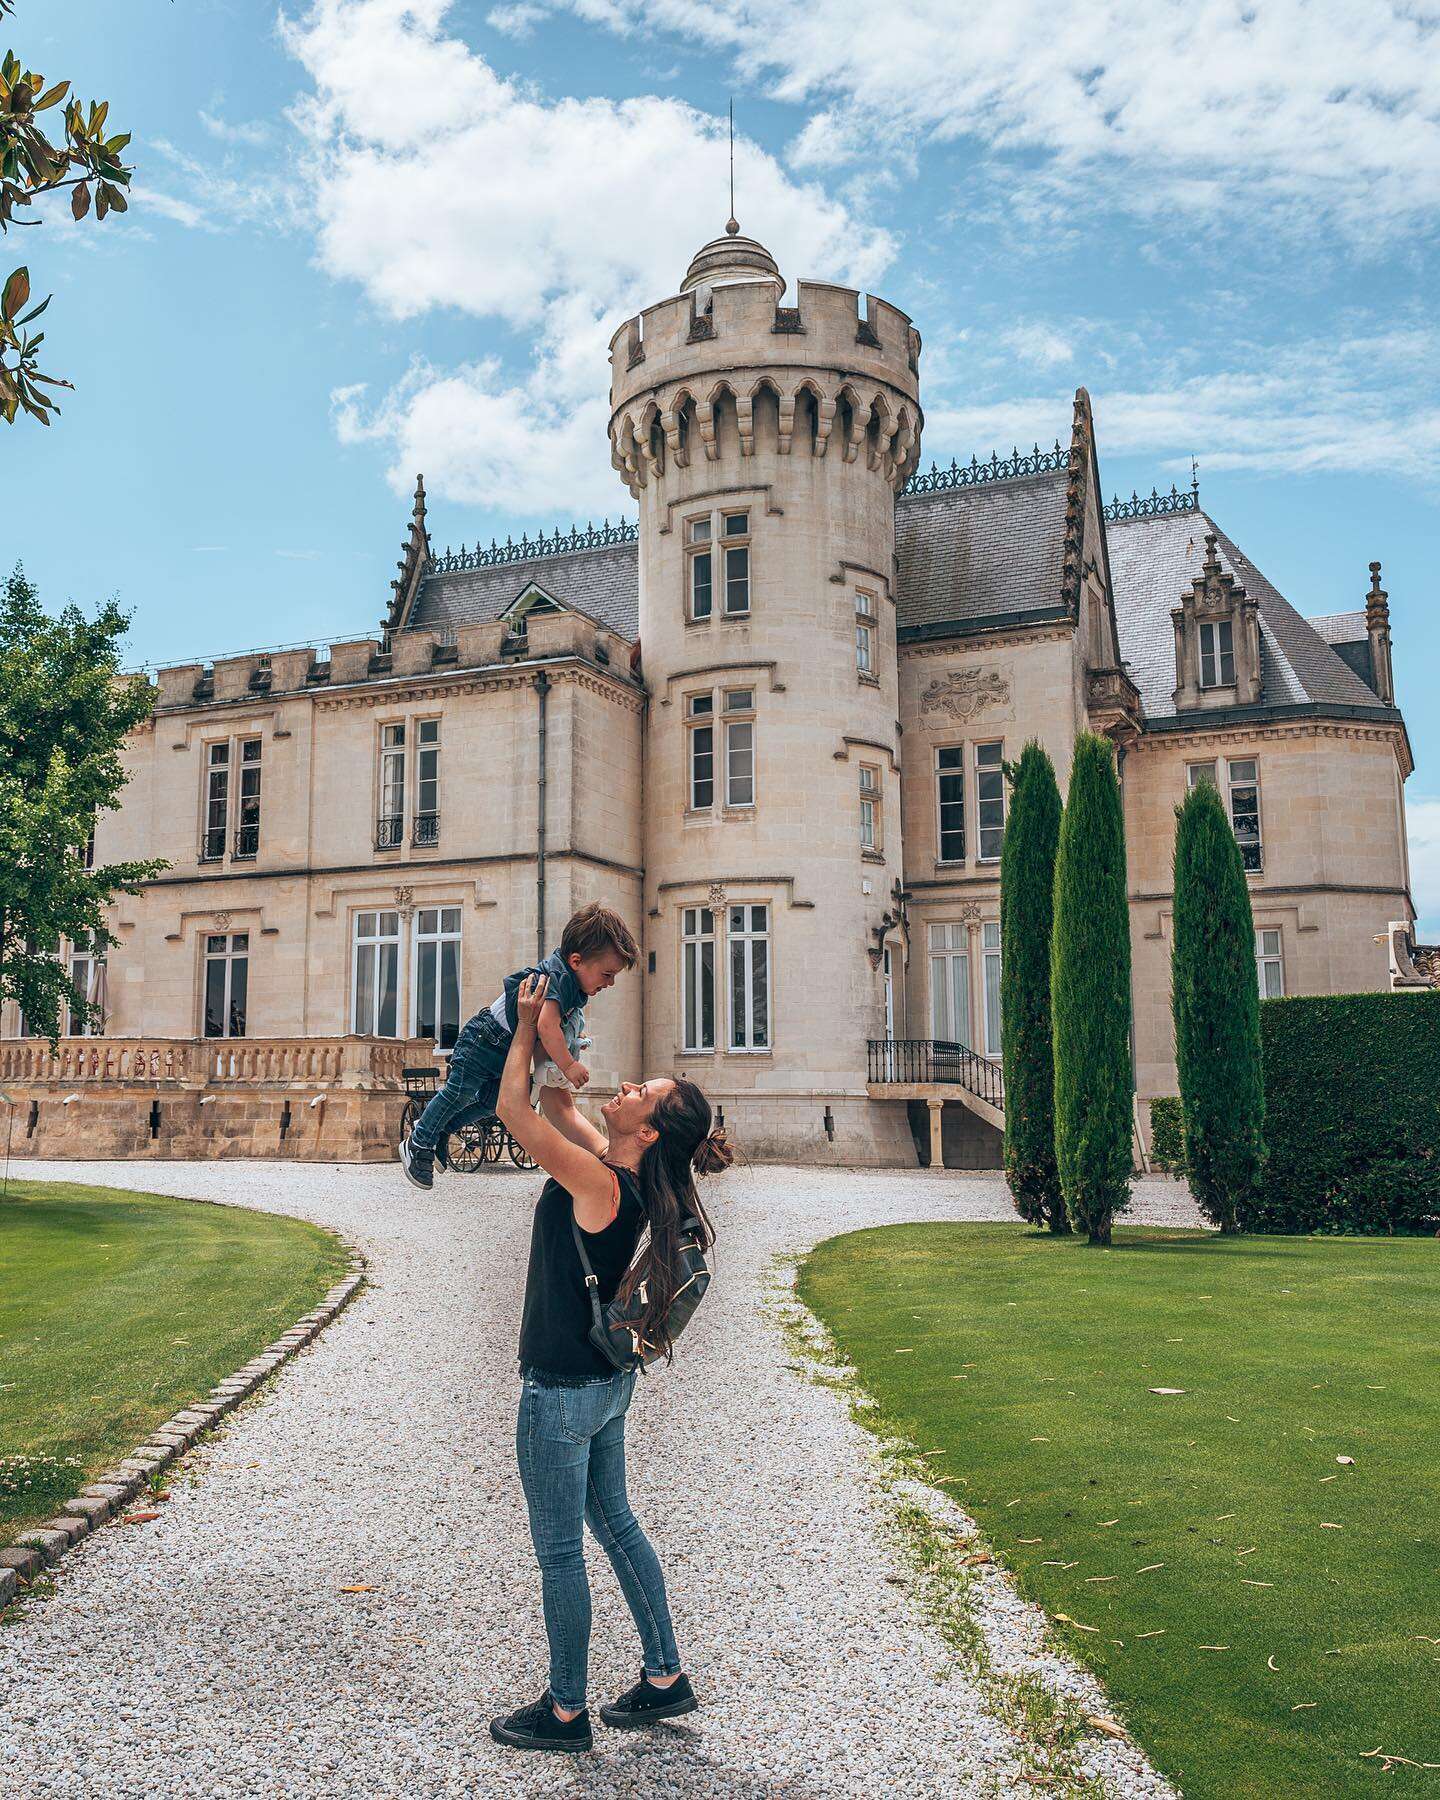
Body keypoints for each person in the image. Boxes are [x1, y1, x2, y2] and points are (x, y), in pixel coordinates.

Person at [488, 971, 731, 1756]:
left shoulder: (600, 1181)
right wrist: (571, 1060)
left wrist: (527, 1026)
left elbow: (513, 1112)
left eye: (640, 1091)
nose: (625, 1087)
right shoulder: (629, 1175)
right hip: (609, 1386)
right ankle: (664, 1676)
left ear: (651, 1130)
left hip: (560, 1389)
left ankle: (565, 1713)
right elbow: (559, 1109)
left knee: (561, 1550)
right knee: (616, 1524)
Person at [400, 902, 639, 1190]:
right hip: (484, 1040)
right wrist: (568, 1064)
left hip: (502, 1048)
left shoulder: (572, 985)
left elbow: (552, 1031)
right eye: (607, 974)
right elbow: (546, 1026)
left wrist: (568, 1046)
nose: (610, 983)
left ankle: (442, 1132)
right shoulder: (557, 979)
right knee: (458, 1093)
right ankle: (419, 1140)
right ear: (576, 961)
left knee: (490, 1104)